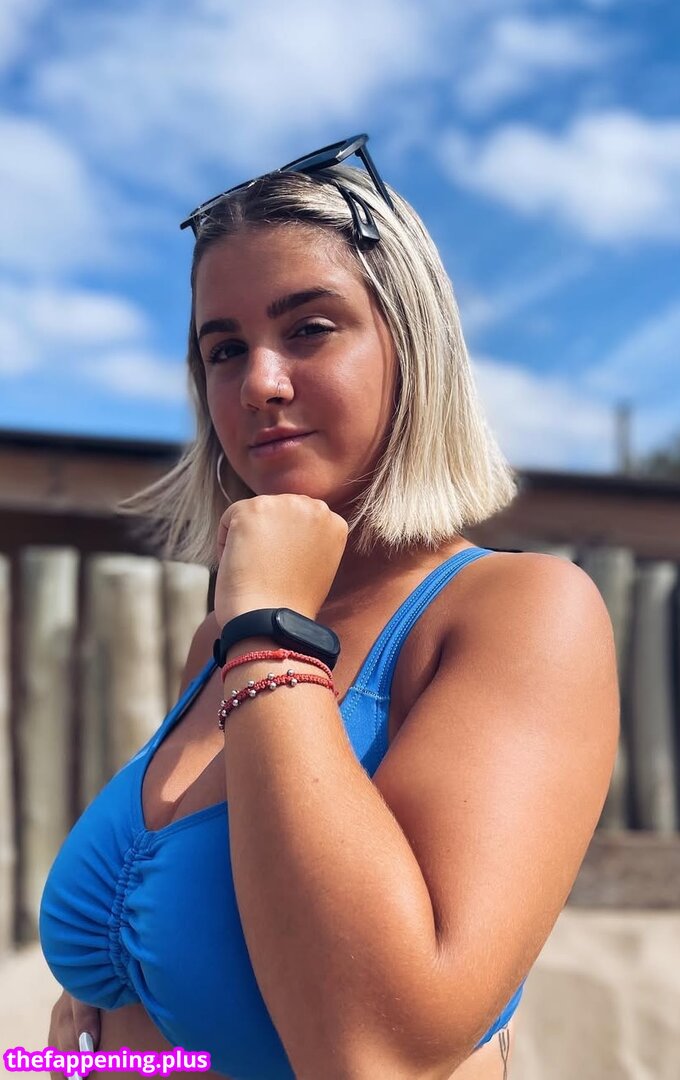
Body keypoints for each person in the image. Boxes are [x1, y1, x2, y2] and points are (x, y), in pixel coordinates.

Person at [40, 134, 619, 1080]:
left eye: (309, 329)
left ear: (412, 347)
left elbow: (377, 1052)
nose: (259, 384)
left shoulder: (518, 612)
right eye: (224, 349)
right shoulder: (218, 640)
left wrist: (269, 624)